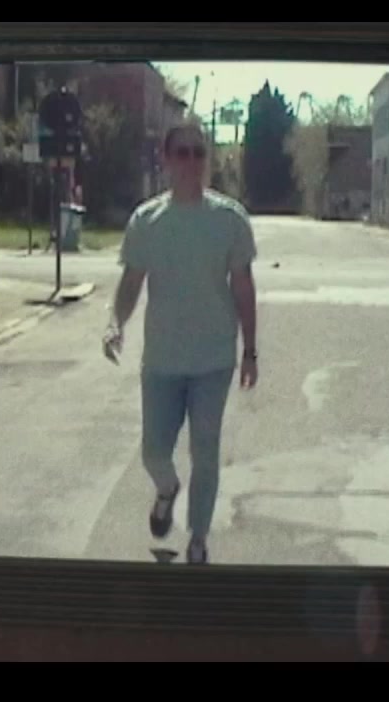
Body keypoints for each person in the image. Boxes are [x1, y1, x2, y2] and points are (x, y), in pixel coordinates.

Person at [102, 122, 259, 565]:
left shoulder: (229, 219)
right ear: (167, 160)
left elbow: (243, 287)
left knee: (205, 451)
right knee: (154, 451)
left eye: (199, 153)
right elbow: (132, 281)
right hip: (163, 361)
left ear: (207, 160)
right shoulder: (147, 221)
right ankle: (167, 488)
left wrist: (249, 350)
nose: (192, 162)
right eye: (183, 153)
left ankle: (198, 539)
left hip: (213, 358)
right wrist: (116, 322)